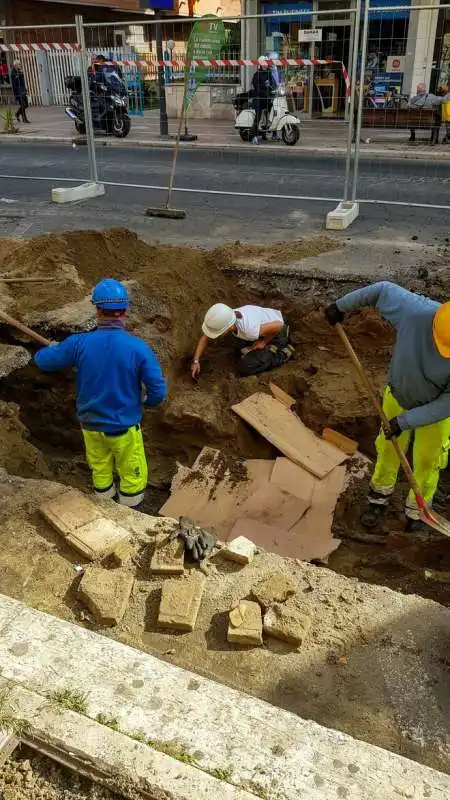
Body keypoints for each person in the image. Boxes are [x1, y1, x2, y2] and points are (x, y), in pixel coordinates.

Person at [325, 282, 450, 533]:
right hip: (398, 394)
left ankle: (418, 511)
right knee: (389, 450)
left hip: (435, 413)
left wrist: (404, 422)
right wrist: (340, 306)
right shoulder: (416, 311)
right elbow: (381, 290)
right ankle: (378, 498)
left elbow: (446, 404)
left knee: (428, 460)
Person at [34, 279, 166, 509]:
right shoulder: (137, 348)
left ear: (97, 310)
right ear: (125, 311)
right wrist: (149, 402)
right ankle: (130, 512)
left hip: (91, 425)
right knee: (132, 473)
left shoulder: (78, 344)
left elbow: (42, 361)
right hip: (123, 428)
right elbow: (157, 389)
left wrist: (55, 349)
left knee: (100, 468)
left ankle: (105, 507)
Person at [191, 303, 294, 379]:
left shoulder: (249, 329)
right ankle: (252, 348)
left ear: (230, 327)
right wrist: (196, 360)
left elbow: (279, 326)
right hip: (261, 328)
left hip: (279, 330)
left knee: (246, 367)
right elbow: (206, 336)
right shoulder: (228, 316)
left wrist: (264, 342)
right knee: (230, 342)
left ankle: (282, 353)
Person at [251, 62, 276, 142]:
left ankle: (274, 134)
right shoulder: (257, 74)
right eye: (264, 63)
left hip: (267, 98)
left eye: (266, 63)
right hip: (258, 98)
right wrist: (264, 86)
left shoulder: (269, 73)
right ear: (261, 64)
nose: (265, 65)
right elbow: (256, 87)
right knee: (258, 116)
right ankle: (254, 137)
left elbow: (274, 84)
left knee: (274, 113)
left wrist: (271, 85)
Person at [10, 60, 29, 124]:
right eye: (19, 64)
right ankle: (24, 119)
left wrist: (25, 90)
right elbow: (14, 84)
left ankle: (17, 114)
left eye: (20, 64)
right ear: (15, 65)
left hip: (23, 90)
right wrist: (16, 94)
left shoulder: (20, 72)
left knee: (26, 104)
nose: (20, 65)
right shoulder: (13, 73)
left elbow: (22, 82)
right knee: (23, 104)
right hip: (18, 92)